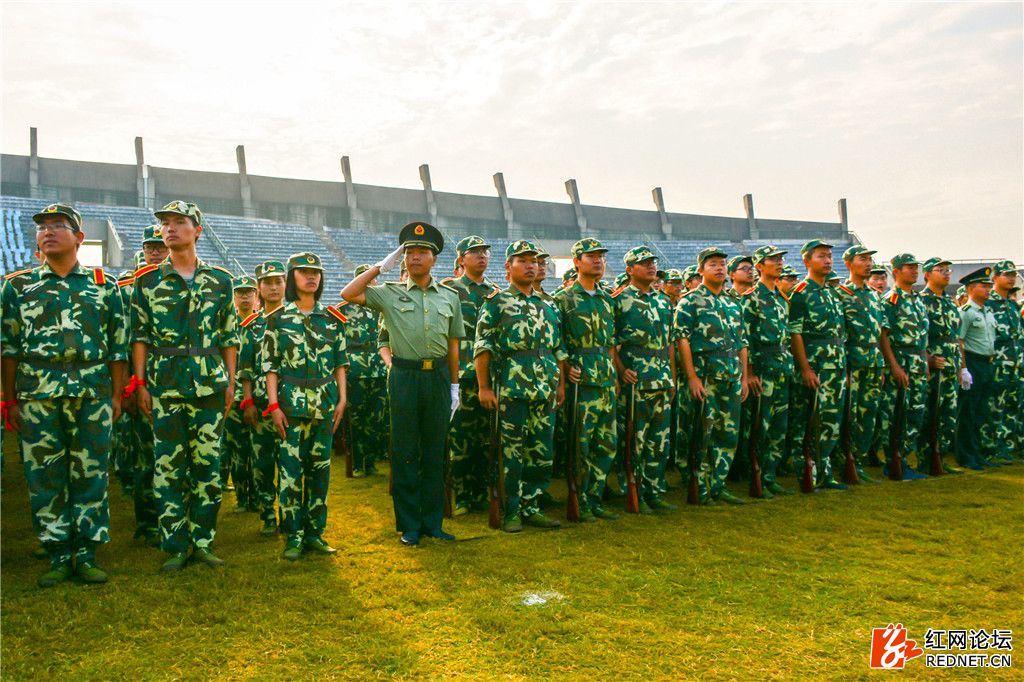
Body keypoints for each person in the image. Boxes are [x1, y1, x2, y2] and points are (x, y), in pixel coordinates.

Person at [1, 203, 127, 587]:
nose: (48, 232)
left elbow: (117, 348)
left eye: (58, 226)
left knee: (91, 473)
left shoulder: (104, 286)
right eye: (42, 228)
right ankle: (57, 553)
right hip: (38, 394)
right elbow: (8, 348)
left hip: (91, 392)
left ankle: (86, 553)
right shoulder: (17, 287)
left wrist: (116, 397)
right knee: (45, 475)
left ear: (79, 238)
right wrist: (10, 399)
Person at [131, 200, 238, 571]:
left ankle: (203, 541)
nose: (170, 228)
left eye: (179, 222)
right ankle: (176, 545)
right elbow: (140, 336)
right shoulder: (147, 281)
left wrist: (230, 382)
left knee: (208, 466)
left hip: (210, 384)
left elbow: (228, 336)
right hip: (165, 383)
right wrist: (141, 384)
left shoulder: (221, 280)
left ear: (198, 230)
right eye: (165, 223)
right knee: (168, 468)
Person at [341, 222, 463, 547]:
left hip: (438, 376)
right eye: (409, 252)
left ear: (434, 258)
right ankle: (409, 525)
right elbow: (348, 293)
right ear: (403, 258)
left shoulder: (450, 296)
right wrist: (380, 267)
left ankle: (433, 523)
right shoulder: (389, 293)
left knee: (435, 450)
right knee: (405, 450)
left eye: (422, 252)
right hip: (404, 376)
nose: (415, 257)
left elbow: (453, 345)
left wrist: (454, 386)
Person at [475, 240, 565, 532]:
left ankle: (532, 505)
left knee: (542, 450)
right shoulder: (496, 302)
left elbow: (558, 349)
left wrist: (560, 385)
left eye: (534, 261)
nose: (530, 266)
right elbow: (483, 346)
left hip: (545, 387)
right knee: (512, 452)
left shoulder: (548, 304)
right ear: (508, 266)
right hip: (512, 387)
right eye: (523, 261)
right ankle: (511, 510)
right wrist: (484, 387)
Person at [262, 252, 347, 560]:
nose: (312, 277)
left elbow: (340, 363)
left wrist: (342, 399)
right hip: (290, 406)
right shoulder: (277, 319)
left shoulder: (332, 319)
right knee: (290, 474)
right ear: (292, 277)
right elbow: (270, 367)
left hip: (324, 404)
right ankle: (293, 535)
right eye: (304, 272)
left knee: (320, 472)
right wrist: (273, 406)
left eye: (316, 272)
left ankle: (314, 533)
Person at [674, 246, 749, 505]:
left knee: (728, 433)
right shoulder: (690, 301)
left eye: (722, 264)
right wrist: (692, 377)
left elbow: (742, 343)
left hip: (731, 375)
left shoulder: (732, 303)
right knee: (702, 433)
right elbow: (682, 340)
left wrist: (744, 377)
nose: (719, 268)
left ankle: (718, 484)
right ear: (701, 270)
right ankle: (700, 485)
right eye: (713, 264)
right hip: (706, 376)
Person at [552, 238, 619, 519]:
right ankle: (579, 498)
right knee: (581, 444)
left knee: (607, 444)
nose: (598, 261)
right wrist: (566, 368)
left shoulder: (607, 299)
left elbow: (611, 342)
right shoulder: (563, 299)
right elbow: (556, 341)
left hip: (605, 379)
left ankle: (595, 498)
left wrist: (615, 376)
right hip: (582, 381)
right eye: (591, 256)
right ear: (577, 262)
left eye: (601, 257)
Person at [613, 246, 677, 512]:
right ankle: (633, 490)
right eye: (644, 263)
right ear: (630, 270)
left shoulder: (663, 301)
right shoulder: (619, 300)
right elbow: (611, 342)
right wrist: (620, 370)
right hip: (636, 380)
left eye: (653, 262)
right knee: (634, 440)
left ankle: (653, 491)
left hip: (661, 379)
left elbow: (670, 343)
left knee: (659, 441)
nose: (651, 266)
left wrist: (672, 377)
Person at [443, 236, 500, 515]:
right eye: (474, 252)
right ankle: (463, 495)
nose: (481, 256)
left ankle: (481, 492)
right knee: (461, 439)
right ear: (461, 259)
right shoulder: (449, 290)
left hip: (488, 376)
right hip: (461, 376)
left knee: (487, 438)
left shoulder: (496, 293)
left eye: (485, 252)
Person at [787, 240, 848, 490]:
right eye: (821, 256)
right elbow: (795, 333)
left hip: (836, 366)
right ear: (807, 261)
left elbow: (839, 334)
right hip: (816, 367)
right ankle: (806, 470)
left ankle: (825, 471)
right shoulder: (801, 293)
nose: (828, 261)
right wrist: (805, 369)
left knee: (831, 420)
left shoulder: (832, 294)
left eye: (830, 256)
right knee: (808, 420)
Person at [239, 260, 287, 535]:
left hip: (290, 404)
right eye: (267, 283)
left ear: (285, 285)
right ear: (258, 289)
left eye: (278, 282)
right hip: (260, 405)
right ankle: (268, 514)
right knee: (263, 463)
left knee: (290, 464)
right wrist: (247, 402)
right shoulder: (251, 326)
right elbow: (245, 367)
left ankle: (289, 515)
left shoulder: (295, 320)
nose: (273, 287)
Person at [742, 245, 794, 496]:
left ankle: (770, 475)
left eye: (780, 259)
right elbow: (745, 338)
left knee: (779, 427)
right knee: (760, 426)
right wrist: (750, 372)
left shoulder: (781, 298)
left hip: (782, 367)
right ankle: (756, 475)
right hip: (762, 369)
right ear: (760, 266)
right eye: (773, 259)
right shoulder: (751, 298)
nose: (779, 263)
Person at [834, 245, 884, 483]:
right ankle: (844, 460)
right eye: (862, 259)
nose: (868, 264)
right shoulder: (840, 294)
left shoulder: (873, 295)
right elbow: (839, 333)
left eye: (869, 260)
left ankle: (859, 460)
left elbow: (879, 332)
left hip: (874, 362)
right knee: (849, 415)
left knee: (869, 414)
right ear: (848, 264)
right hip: (852, 362)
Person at [878, 254, 930, 480]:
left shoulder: (917, 299)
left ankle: (905, 459)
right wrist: (894, 366)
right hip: (901, 362)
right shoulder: (891, 300)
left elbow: (922, 336)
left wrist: (925, 362)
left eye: (916, 267)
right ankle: (894, 460)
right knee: (896, 413)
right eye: (909, 267)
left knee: (915, 413)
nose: (914, 271)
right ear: (896, 271)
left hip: (918, 363)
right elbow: (883, 336)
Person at [337, 265, 389, 478]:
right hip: (355, 372)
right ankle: (357, 463)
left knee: (377, 418)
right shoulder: (343, 310)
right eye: (364, 279)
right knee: (356, 420)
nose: (369, 283)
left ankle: (371, 462)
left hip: (379, 370)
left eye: (372, 280)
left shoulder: (382, 307)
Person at [920, 257, 966, 474]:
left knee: (948, 414)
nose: (946, 273)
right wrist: (928, 359)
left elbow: (956, 337)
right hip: (935, 365)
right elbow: (918, 335)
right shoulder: (922, 301)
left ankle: (941, 455)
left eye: (948, 270)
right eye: (940, 270)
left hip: (951, 364)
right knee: (931, 413)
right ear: (927, 274)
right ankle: (926, 458)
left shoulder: (949, 301)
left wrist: (961, 367)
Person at [222, 275, 258, 507]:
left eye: (248, 292)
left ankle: (258, 498)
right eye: (240, 292)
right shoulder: (227, 323)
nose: (244, 296)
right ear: (234, 296)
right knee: (237, 449)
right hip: (234, 397)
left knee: (258, 450)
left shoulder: (263, 323)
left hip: (259, 395)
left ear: (256, 296)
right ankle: (243, 498)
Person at [956, 268, 997, 469]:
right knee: (967, 412)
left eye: (989, 286)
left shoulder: (987, 311)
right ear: (971, 289)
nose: (988, 289)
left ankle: (978, 453)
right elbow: (959, 341)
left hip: (987, 363)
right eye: (984, 286)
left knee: (981, 412)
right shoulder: (966, 312)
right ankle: (966, 456)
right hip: (972, 363)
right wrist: (963, 369)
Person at [983, 261, 1022, 464]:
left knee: (1013, 406)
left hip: (1016, 364)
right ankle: (991, 447)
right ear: (995, 277)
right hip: (997, 364)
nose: (1011, 278)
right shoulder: (988, 304)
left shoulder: (1013, 306)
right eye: (1007, 274)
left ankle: (1007, 446)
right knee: (994, 407)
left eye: (1013, 275)